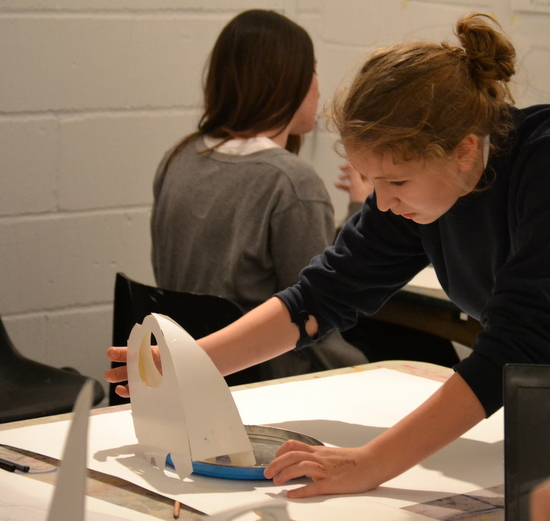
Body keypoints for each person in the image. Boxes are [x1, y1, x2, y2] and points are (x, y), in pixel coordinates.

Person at [107, 11, 550, 497]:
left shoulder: (539, 166)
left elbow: (519, 345)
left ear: (465, 151)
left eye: (396, 182)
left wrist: (371, 462)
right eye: (373, 180)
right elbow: (319, 298)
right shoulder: (424, 184)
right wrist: (188, 364)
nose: (380, 201)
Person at [149, 9, 368, 382]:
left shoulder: (179, 158)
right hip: (267, 380)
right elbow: (319, 316)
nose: (318, 86)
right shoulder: (291, 181)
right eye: (312, 71)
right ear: (286, 82)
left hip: (187, 372)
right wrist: (367, 373)